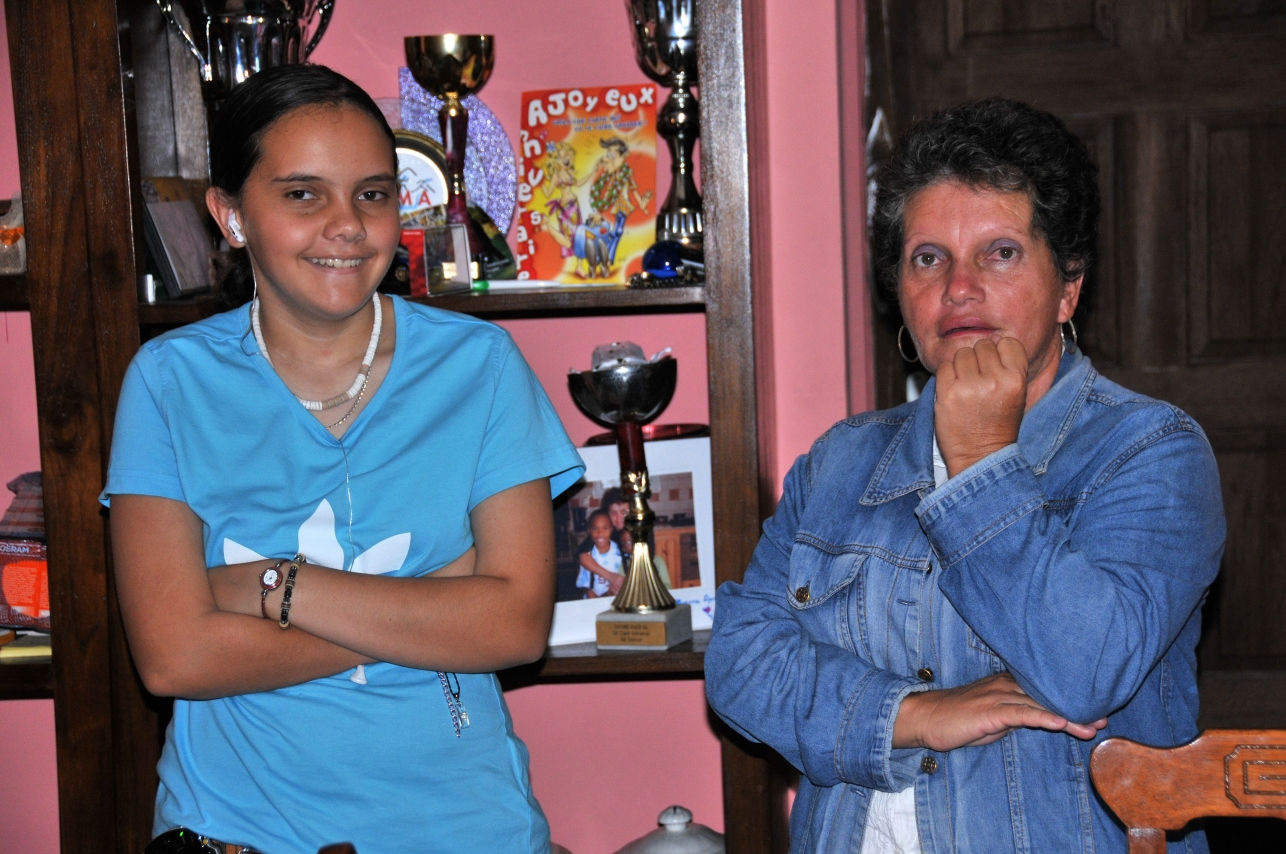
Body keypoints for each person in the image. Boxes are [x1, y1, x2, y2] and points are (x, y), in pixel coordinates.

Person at [704, 97, 1225, 853]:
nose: (958, 287)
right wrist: (912, 715)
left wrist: (981, 461)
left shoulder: (1151, 452)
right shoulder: (842, 461)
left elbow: (1086, 671)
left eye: (1000, 252)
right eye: (928, 258)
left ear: (1069, 286)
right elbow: (740, 666)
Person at [102, 64, 584, 854]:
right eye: (302, 194)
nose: (348, 226)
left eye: (373, 193)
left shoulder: (481, 366)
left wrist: (274, 588)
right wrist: (432, 608)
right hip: (237, 836)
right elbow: (175, 657)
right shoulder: (168, 381)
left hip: (466, 832)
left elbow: (514, 627)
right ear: (230, 215)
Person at [575, 509, 623, 598]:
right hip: (592, 599)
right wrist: (589, 592)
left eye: (605, 528)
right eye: (595, 528)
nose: (600, 533)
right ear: (589, 531)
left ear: (612, 529)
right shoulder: (588, 554)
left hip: (616, 598)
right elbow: (584, 582)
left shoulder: (618, 552)